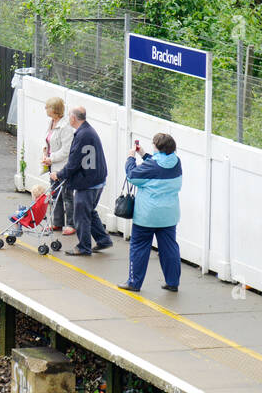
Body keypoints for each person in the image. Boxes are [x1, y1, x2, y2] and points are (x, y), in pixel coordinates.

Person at [120, 133, 183, 292]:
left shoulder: (152, 165)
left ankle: (134, 282)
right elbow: (158, 166)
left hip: (147, 216)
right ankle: (173, 282)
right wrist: (144, 154)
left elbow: (132, 175)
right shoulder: (176, 162)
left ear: (158, 147)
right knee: (169, 248)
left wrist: (131, 158)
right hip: (168, 215)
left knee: (139, 247)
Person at [51, 106, 112, 256]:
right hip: (96, 179)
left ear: (73, 118)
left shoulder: (82, 135)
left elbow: (74, 162)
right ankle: (103, 240)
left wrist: (59, 174)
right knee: (88, 211)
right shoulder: (87, 132)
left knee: (81, 215)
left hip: (88, 182)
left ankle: (83, 247)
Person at [40, 97, 75, 240]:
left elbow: (67, 150)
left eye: (47, 107)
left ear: (54, 110)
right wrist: (44, 152)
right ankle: (57, 222)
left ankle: (71, 224)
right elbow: (48, 140)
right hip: (51, 166)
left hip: (62, 166)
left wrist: (51, 157)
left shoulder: (65, 127)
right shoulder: (51, 123)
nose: (45, 109)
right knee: (55, 194)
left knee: (67, 195)